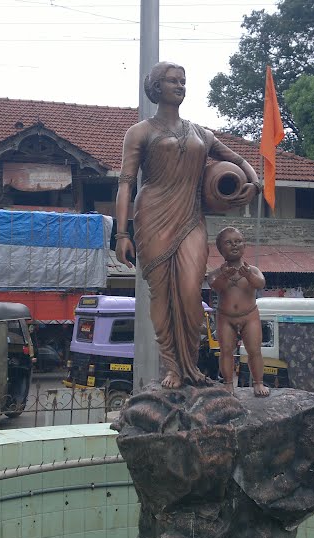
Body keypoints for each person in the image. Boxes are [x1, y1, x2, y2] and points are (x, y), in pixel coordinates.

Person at [114, 61, 259, 390]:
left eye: (183, 80)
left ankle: (191, 366)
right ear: (156, 88)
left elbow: (237, 160)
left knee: (192, 293)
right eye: (172, 81)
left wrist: (253, 182)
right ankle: (173, 368)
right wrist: (122, 233)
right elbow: (125, 183)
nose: (180, 85)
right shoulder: (140, 132)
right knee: (162, 294)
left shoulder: (200, 134)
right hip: (153, 216)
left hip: (191, 218)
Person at [209, 227, 268, 397]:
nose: (234, 245)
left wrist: (248, 275)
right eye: (228, 243)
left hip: (249, 315)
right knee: (226, 350)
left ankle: (258, 382)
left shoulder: (253, 270)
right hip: (225, 317)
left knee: (254, 350)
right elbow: (216, 286)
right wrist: (224, 276)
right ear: (220, 249)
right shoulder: (216, 273)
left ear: (244, 246)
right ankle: (228, 383)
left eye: (238, 241)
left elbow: (260, 284)